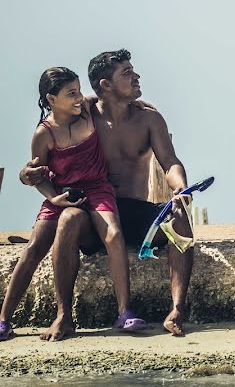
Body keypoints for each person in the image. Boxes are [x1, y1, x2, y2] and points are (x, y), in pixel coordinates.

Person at [18, 50, 191, 340]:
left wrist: (180, 187)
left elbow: (170, 161)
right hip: (92, 210)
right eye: (127, 73)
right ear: (105, 85)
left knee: (180, 218)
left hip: (133, 210)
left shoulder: (149, 119)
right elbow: (48, 139)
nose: (136, 77)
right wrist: (26, 174)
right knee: (69, 220)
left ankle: (177, 310)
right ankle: (64, 315)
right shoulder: (82, 112)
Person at [1, 67, 145, 343]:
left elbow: (115, 99)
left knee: (114, 234)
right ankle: (4, 320)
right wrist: (52, 197)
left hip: (98, 189)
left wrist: (138, 103)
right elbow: (36, 174)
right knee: (34, 247)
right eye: (71, 94)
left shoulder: (88, 110)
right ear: (51, 99)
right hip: (61, 195)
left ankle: (125, 312)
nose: (79, 97)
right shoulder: (43, 134)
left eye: (79, 90)